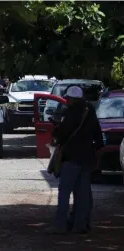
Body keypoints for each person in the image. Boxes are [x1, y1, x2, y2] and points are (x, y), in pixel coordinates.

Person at [48, 86, 103, 234]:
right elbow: (97, 133)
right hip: (86, 158)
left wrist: (56, 130)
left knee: (64, 192)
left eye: (67, 98)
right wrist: (98, 151)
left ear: (71, 99)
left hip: (71, 157)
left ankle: (60, 225)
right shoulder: (89, 110)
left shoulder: (69, 113)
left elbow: (61, 135)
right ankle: (81, 225)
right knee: (83, 193)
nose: (66, 101)